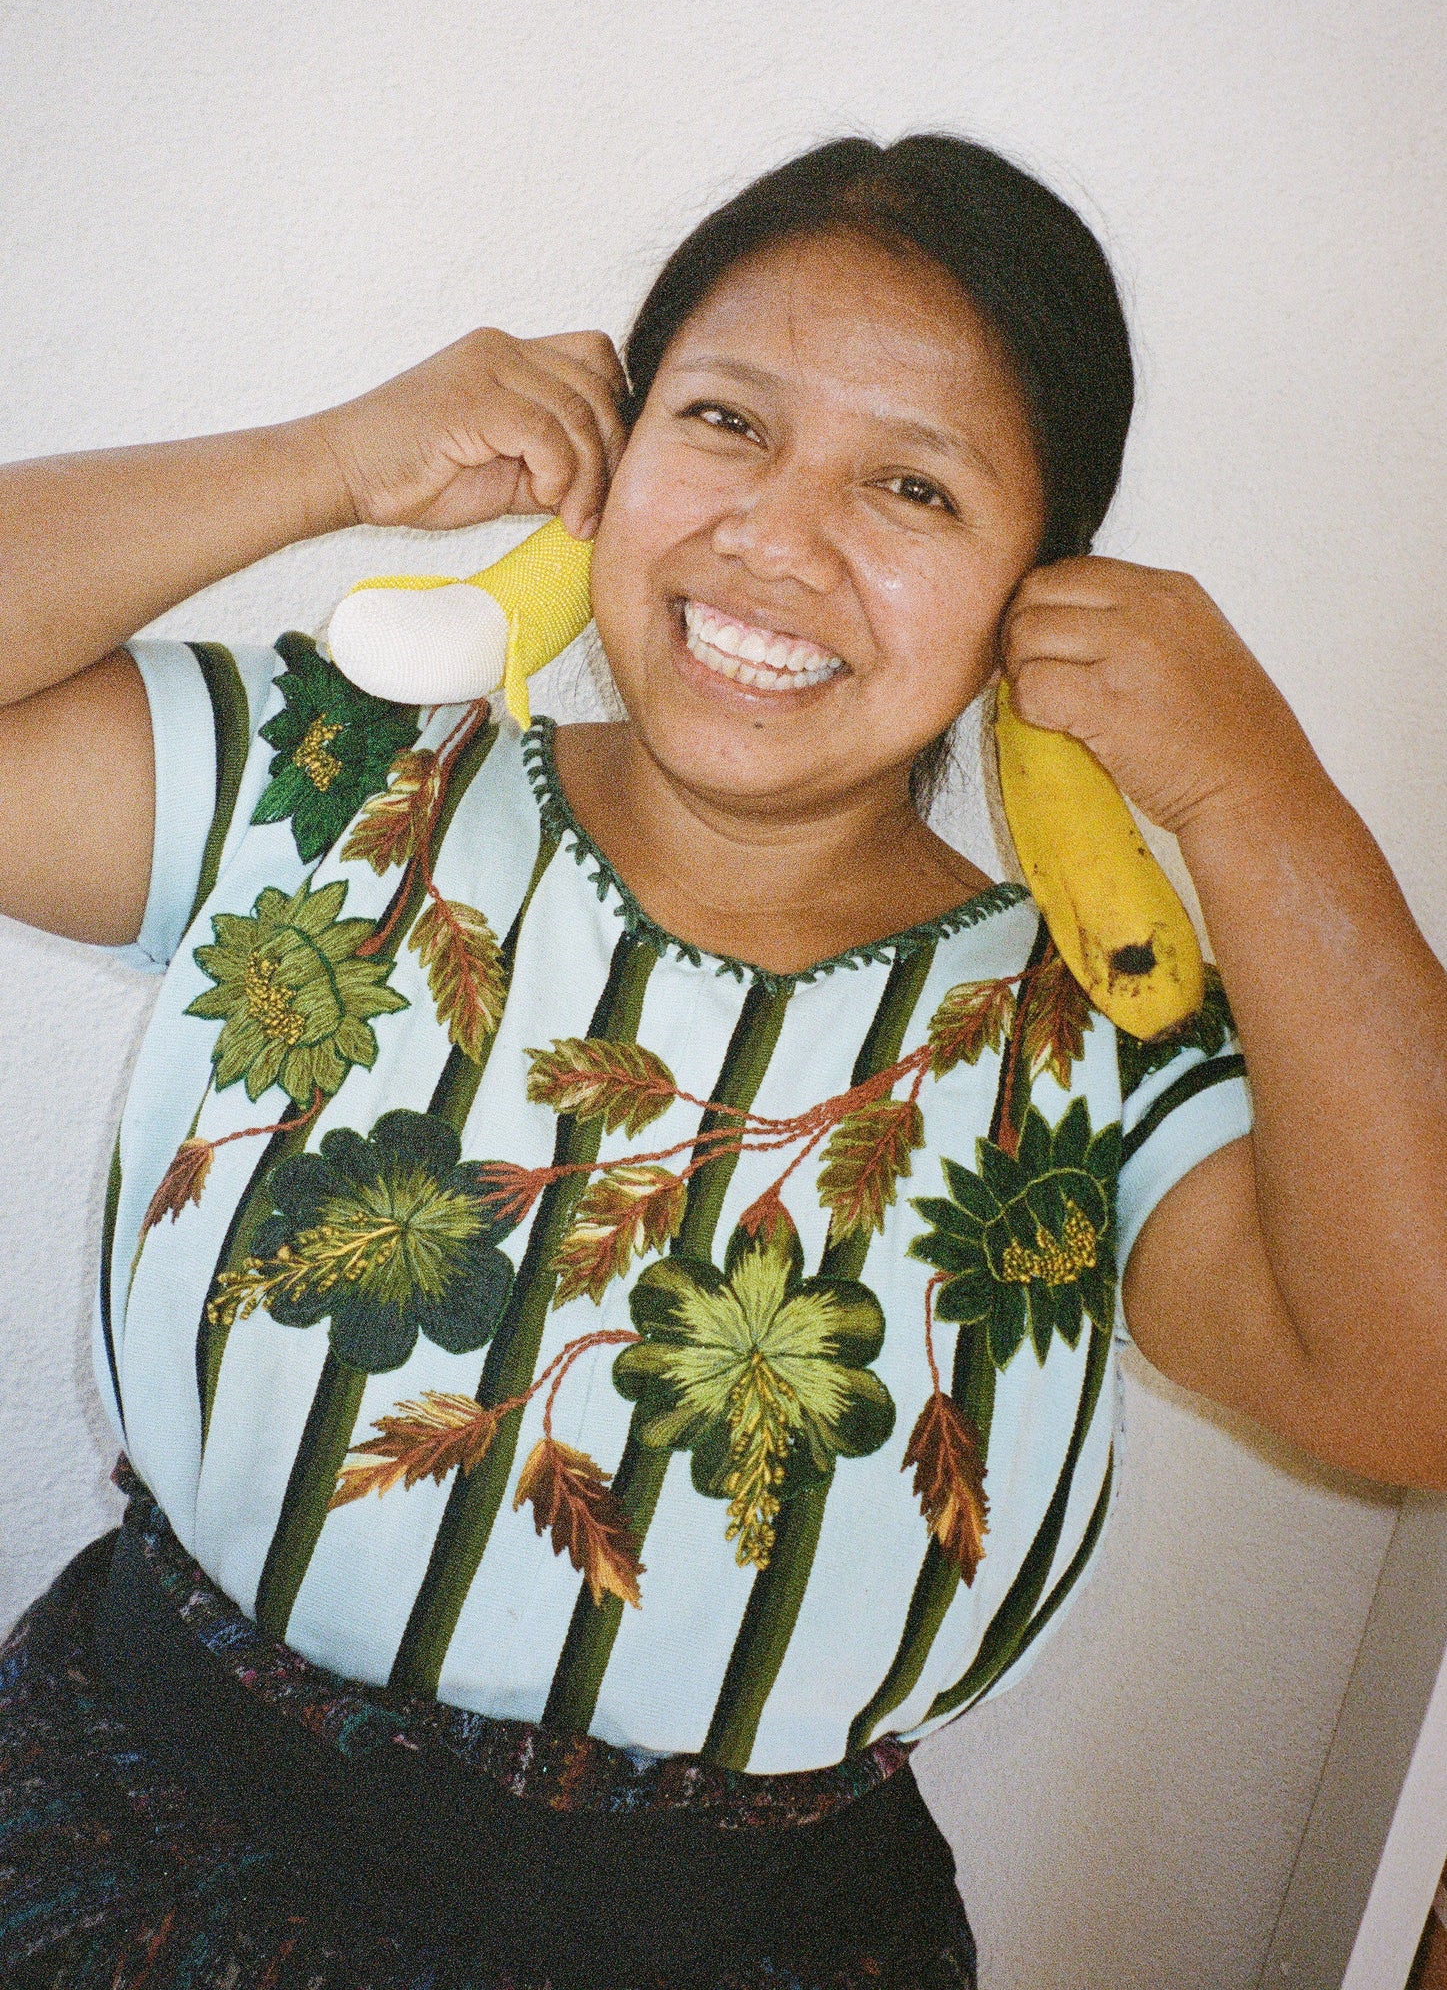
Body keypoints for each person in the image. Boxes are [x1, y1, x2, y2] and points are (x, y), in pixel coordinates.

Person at [1, 132, 1444, 1990]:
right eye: (729, 423)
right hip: (122, 1865)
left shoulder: (1093, 1035)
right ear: (613, 457)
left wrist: (1262, 799)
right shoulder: (324, 786)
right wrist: (329, 461)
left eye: (913, 488)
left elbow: (1409, 1390)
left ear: (1038, 587)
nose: (778, 538)